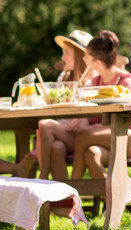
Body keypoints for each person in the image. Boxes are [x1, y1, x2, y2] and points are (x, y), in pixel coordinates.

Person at [70, 30, 131, 180]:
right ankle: (115, 201)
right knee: (91, 153)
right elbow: (94, 115)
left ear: (97, 62)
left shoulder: (127, 82)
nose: (83, 59)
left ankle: (71, 192)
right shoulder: (96, 83)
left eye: (86, 56)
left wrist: (97, 128)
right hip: (113, 136)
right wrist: (85, 121)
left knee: (83, 136)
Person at [36, 29, 97, 180]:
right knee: (57, 148)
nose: (63, 58)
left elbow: (98, 110)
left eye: (66, 53)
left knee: (45, 125)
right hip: (64, 132)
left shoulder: (94, 80)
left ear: (80, 54)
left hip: (82, 134)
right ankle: (64, 198)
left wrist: (84, 119)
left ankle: (42, 178)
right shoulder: (63, 78)